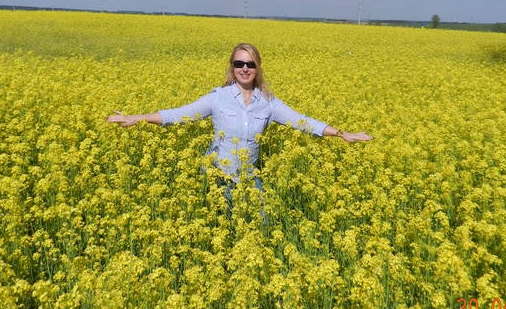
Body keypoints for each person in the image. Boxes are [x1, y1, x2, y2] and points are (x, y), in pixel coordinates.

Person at [107, 43, 373, 199]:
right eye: (239, 63)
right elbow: (179, 115)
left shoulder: (268, 102)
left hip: (248, 178)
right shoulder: (218, 98)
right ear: (232, 67)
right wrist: (137, 118)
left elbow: (301, 122)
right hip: (217, 177)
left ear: (258, 69)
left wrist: (341, 133)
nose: (245, 68)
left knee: (260, 226)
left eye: (250, 64)